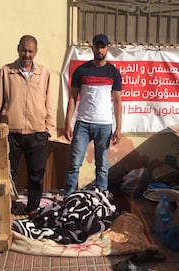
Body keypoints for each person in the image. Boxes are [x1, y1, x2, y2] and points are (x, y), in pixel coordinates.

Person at [0, 35, 55, 216]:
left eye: (30, 51)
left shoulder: (44, 73)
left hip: (37, 131)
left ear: (36, 52)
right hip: (12, 132)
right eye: (24, 50)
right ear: (18, 49)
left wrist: (49, 129)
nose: (27, 54)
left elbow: (49, 101)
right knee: (9, 173)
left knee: (36, 173)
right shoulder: (6, 72)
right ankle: (7, 207)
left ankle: (33, 207)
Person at [63, 33, 123, 196]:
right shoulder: (81, 71)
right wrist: (67, 123)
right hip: (82, 124)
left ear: (107, 49)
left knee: (102, 165)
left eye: (103, 46)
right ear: (92, 48)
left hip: (104, 125)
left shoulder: (113, 73)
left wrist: (118, 128)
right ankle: (67, 198)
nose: (100, 49)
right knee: (75, 163)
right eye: (97, 46)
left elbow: (118, 102)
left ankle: (102, 198)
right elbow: (73, 99)